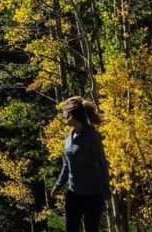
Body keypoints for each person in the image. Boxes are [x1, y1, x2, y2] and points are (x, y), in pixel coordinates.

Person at [50, 96, 111, 232]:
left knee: (91, 229)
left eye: (66, 112)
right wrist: (58, 185)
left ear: (73, 114)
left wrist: (105, 192)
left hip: (93, 195)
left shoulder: (91, 136)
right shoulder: (69, 138)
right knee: (70, 228)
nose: (64, 115)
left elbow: (101, 164)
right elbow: (67, 165)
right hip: (73, 194)